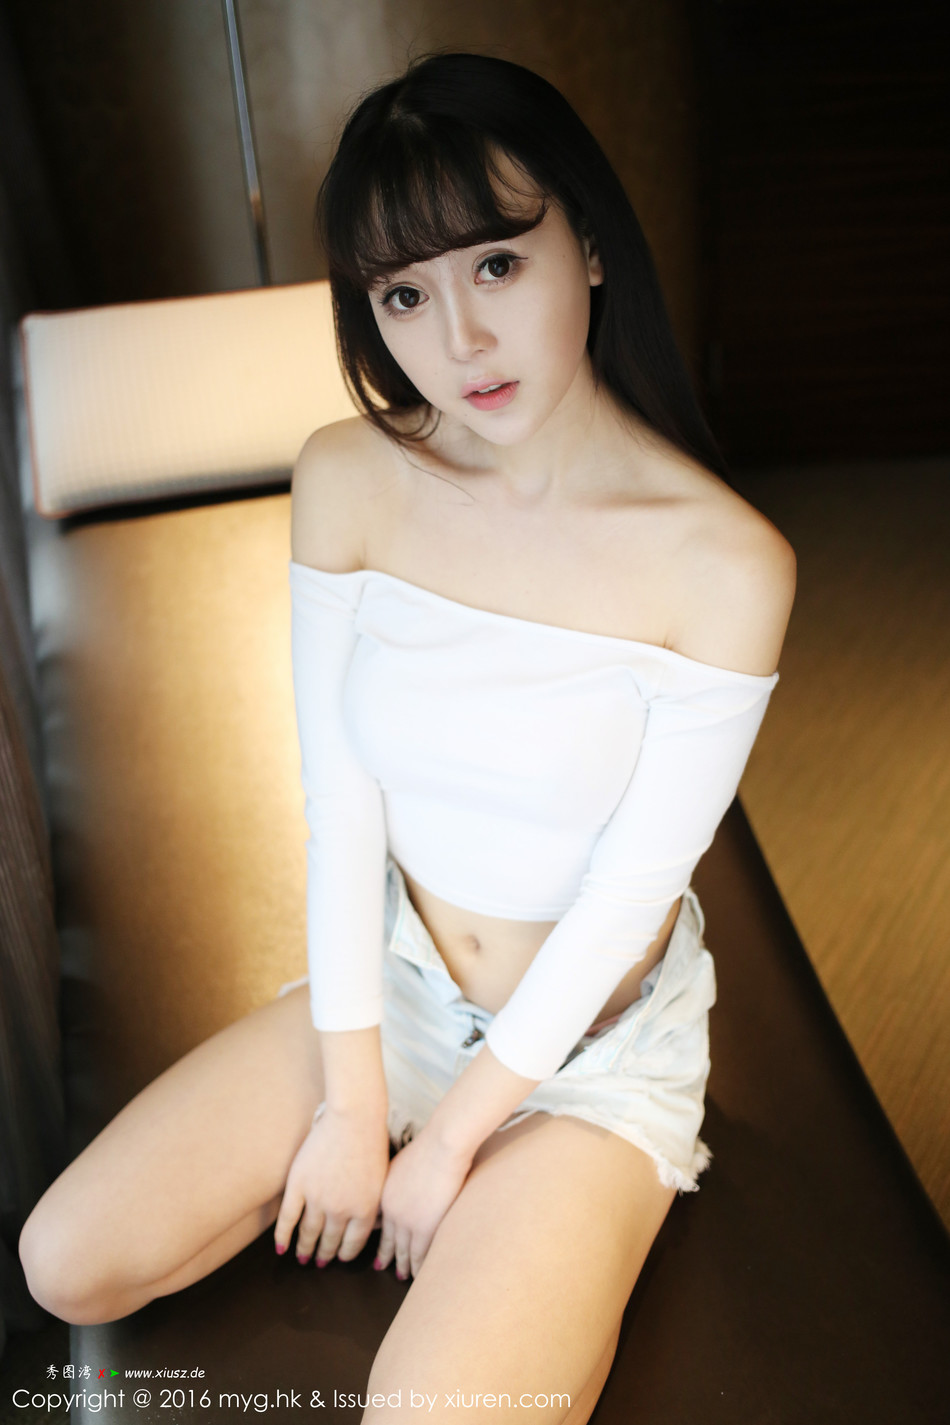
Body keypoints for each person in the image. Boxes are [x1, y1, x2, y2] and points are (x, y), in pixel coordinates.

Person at [19, 52, 795, 1424]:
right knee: (64, 1261)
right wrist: (351, 1093)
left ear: (589, 245)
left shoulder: (727, 564)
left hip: (588, 1053)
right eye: (404, 295)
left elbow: (628, 899)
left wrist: (445, 1144)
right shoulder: (348, 475)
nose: (461, 339)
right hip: (401, 982)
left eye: (496, 263)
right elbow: (343, 805)